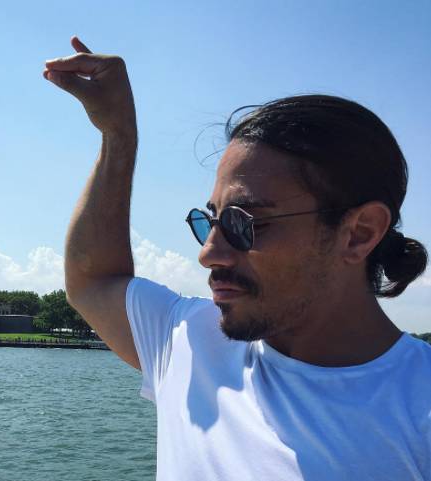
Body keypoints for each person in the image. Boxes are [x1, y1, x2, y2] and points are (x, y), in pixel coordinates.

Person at [44, 37, 431, 480]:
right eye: (210, 220)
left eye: (244, 222)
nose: (208, 253)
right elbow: (92, 280)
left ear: (359, 234)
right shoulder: (189, 340)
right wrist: (118, 136)